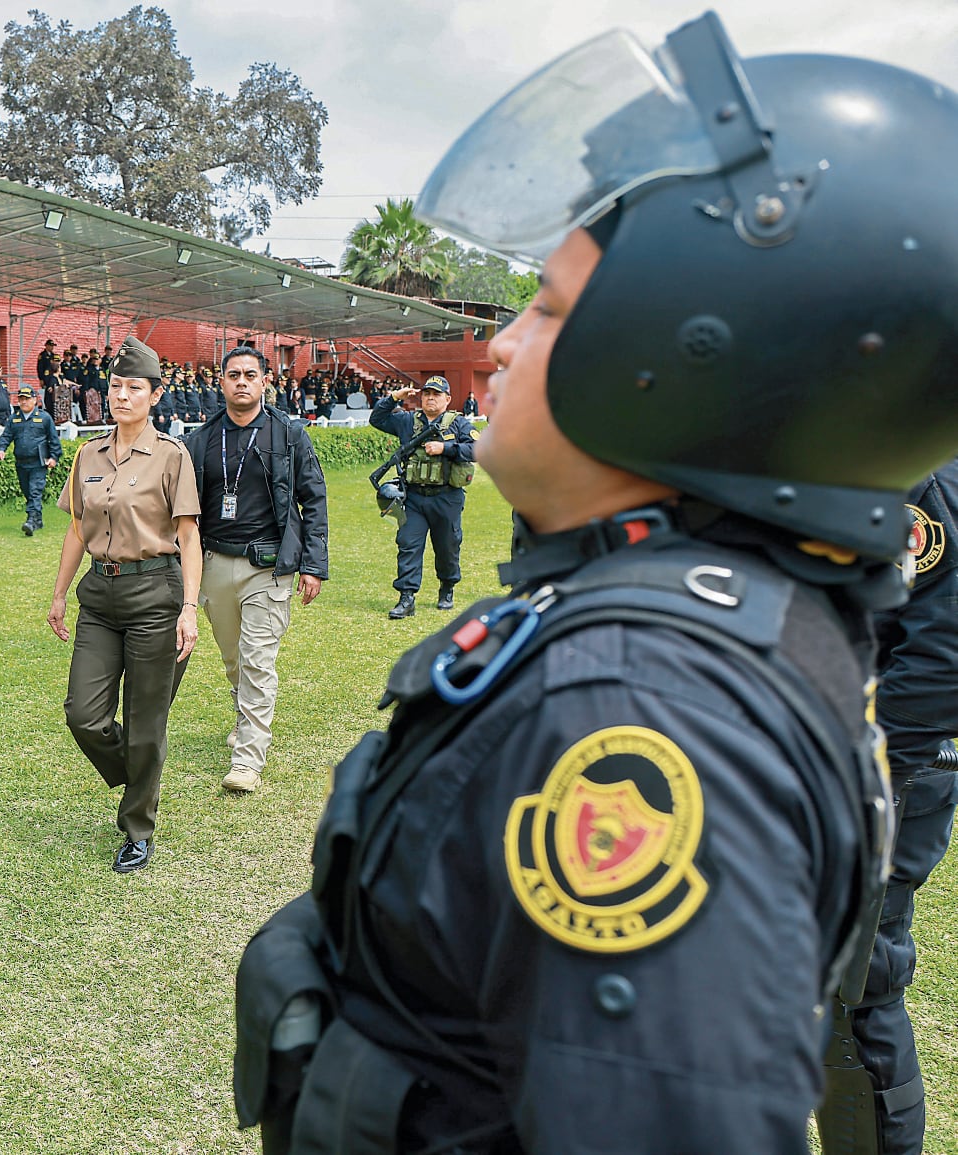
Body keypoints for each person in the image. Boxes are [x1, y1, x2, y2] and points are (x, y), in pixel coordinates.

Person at [234, 13, 958, 1151]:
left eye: (552, 308)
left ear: (683, 366)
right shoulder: (684, 622)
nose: (505, 346)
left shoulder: (638, 708)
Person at [49, 335, 201, 874]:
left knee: (145, 720)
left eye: (134, 388)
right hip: (100, 595)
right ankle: (136, 771)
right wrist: (61, 593)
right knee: (84, 716)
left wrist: (188, 607)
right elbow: (75, 529)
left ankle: (138, 826)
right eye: (115, 386)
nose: (122, 396)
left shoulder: (171, 456)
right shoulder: (88, 453)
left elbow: (189, 535)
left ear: (154, 395)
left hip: (155, 595)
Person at [845, 459, 958, 1153]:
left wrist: (853, 764)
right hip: (812, 761)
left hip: (882, 771)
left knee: (858, 992)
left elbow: (945, 657)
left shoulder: (918, 471)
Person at [185, 346, 328, 795]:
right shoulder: (203, 438)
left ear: (266, 381)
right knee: (234, 659)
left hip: (267, 565)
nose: (242, 382)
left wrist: (314, 564)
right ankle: (244, 714)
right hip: (213, 564)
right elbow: (184, 507)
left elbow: (314, 498)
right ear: (221, 382)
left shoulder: (287, 434)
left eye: (251, 374)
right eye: (233, 375)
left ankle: (247, 758)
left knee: (257, 659)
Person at [368, 374, 477, 617]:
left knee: (447, 546)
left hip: (447, 497)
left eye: (436, 394)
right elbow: (377, 418)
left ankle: (447, 586)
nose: (430, 398)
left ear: (447, 399)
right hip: (414, 497)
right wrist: (395, 397)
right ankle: (407, 598)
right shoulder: (408, 421)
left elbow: (478, 448)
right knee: (408, 544)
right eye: (427, 393)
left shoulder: (458, 423)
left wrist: (446, 448)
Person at [0, 385, 61, 536]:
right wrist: (1, 449)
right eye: (21, 399)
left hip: (38, 462)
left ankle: (31, 521)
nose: (23, 402)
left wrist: (54, 457)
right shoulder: (14, 418)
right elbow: (6, 436)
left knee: (34, 492)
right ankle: (37, 519)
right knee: (27, 492)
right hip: (21, 463)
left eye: (27, 399)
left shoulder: (44, 418)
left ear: (34, 400)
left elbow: (53, 439)